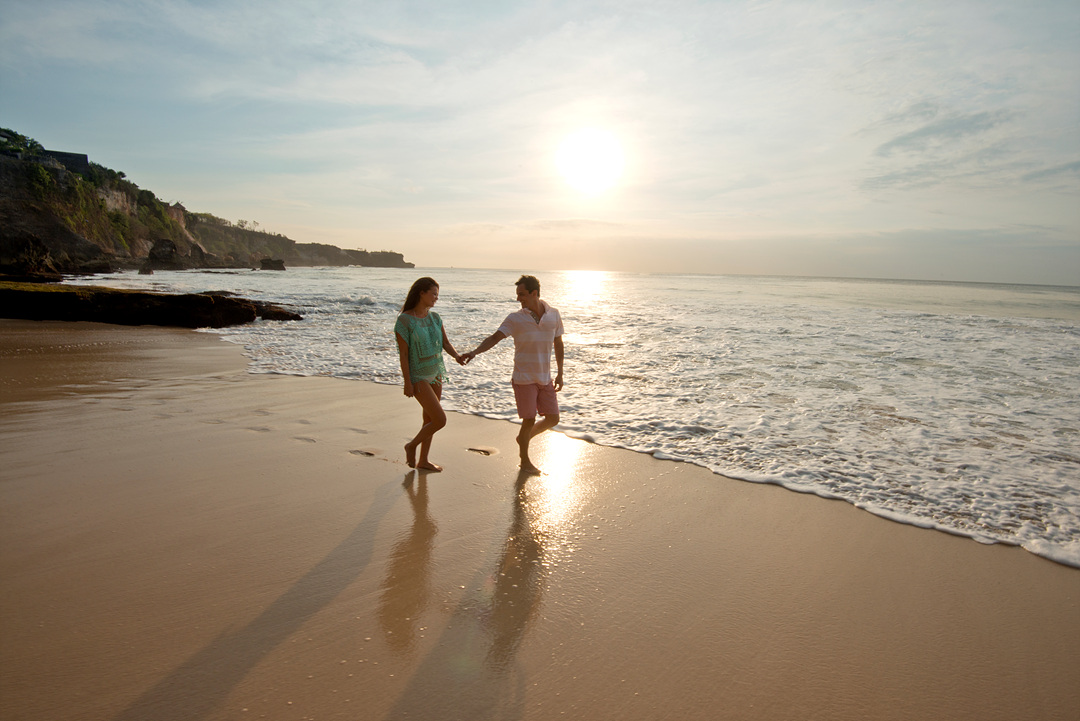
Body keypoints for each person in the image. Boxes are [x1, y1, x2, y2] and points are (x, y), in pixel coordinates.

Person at [461, 275, 564, 473]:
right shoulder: (515, 318)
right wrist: (474, 352)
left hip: (545, 378)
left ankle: (523, 438)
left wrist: (560, 373)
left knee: (553, 418)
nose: (518, 299)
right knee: (528, 420)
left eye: (522, 294)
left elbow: (558, 343)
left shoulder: (554, 314)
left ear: (534, 293)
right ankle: (525, 462)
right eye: (518, 294)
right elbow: (495, 338)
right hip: (523, 378)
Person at [395, 277, 465, 472]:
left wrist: (457, 356)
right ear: (421, 293)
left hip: (436, 372)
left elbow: (445, 343)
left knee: (429, 420)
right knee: (440, 420)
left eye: (437, 295)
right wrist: (407, 382)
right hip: (418, 375)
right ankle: (411, 446)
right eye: (433, 294)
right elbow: (403, 354)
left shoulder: (435, 318)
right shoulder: (404, 321)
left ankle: (423, 460)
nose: (436, 298)